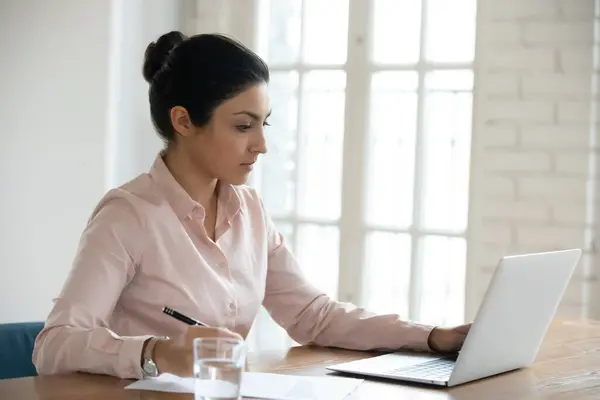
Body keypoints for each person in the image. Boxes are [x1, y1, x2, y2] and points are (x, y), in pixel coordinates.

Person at [32, 31, 471, 380]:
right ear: (183, 121)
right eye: (243, 126)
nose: (261, 145)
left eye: (264, 124)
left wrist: (432, 337)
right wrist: (156, 352)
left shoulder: (251, 210)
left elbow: (312, 316)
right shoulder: (128, 215)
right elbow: (55, 345)